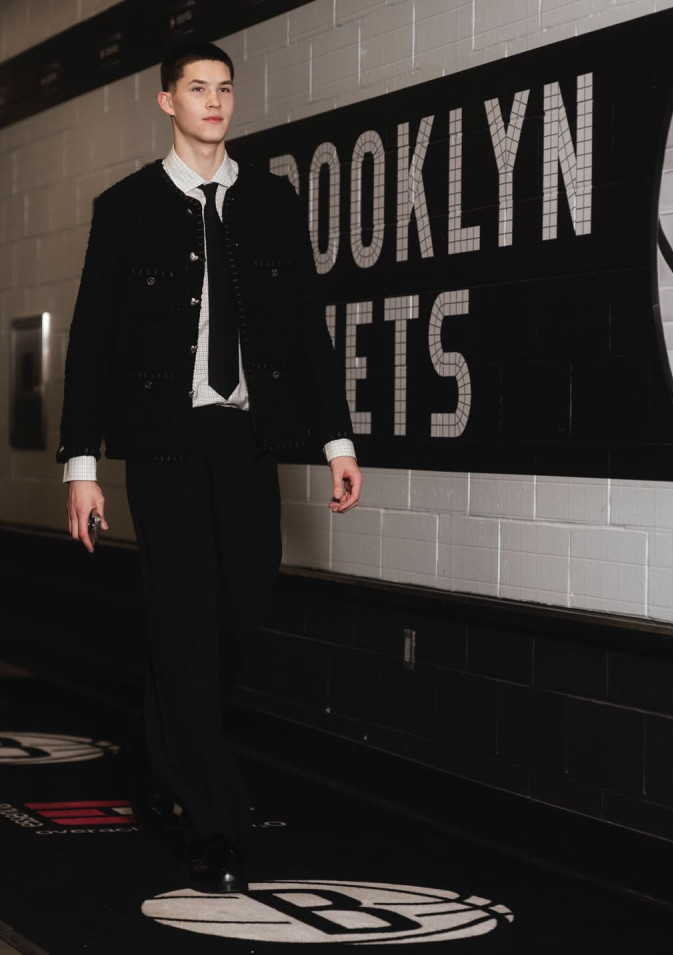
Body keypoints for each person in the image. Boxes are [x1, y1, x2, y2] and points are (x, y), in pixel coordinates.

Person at [57, 39, 362, 893]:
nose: (215, 102)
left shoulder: (271, 202)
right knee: (185, 616)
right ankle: (213, 820)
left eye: (225, 88)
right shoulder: (125, 209)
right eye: (198, 88)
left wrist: (337, 441)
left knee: (243, 595)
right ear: (168, 101)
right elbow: (91, 342)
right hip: (163, 442)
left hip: (245, 437)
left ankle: (165, 752)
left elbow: (307, 326)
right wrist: (81, 463)